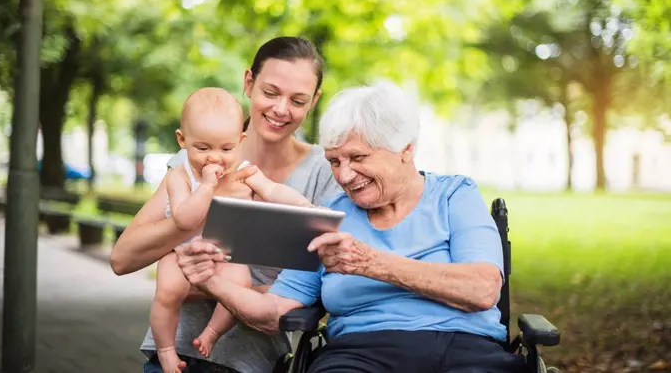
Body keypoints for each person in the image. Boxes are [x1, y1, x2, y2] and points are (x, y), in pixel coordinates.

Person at [175, 81, 529, 373]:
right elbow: (274, 314)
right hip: (359, 354)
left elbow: (482, 289)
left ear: (405, 149)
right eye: (334, 161)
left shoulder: (454, 195)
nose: (343, 176)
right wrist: (210, 279)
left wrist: (371, 264)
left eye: (358, 158)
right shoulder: (327, 215)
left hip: (465, 349)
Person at [110, 37, 341, 373]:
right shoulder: (190, 162)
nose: (280, 109)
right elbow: (123, 258)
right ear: (249, 83)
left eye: (298, 100)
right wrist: (192, 219)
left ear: (314, 101)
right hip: (176, 353)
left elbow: (320, 287)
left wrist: (206, 284)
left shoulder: (325, 170)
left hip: (253, 363)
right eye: (271, 92)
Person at [151, 87, 316, 373]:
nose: (214, 158)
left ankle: (212, 333)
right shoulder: (180, 175)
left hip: (222, 253)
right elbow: (183, 220)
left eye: (226, 149)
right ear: (182, 140)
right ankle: (165, 350)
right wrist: (207, 187)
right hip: (183, 253)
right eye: (203, 148)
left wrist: (306, 207)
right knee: (167, 291)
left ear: (240, 141)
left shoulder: (244, 170)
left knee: (240, 282)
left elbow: (274, 191)